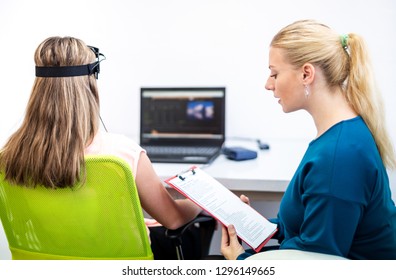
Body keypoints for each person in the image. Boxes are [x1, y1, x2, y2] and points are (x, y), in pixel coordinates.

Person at [0, 36, 202, 259]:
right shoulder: (122, 154)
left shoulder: (10, 156)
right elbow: (173, 219)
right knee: (194, 230)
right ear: (90, 83)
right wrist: (196, 202)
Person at [221, 19, 396, 260]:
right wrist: (256, 226)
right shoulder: (340, 135)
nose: (268, 84)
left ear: (306, 73)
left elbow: (315, 264)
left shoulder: (339, 156)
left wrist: (239, 261)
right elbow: (311, 222)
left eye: (274, 73)